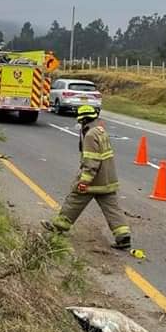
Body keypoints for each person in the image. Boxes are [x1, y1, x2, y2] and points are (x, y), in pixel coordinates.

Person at [42, 105, 131, 249]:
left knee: (74, 200)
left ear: (83, 119)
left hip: (94, 180)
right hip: (108, 180)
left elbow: (91, 161)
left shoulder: (90, 135)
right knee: (112, 208)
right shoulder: (101, 131)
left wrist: (84, 181)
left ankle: (59, 227)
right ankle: (123, 236)